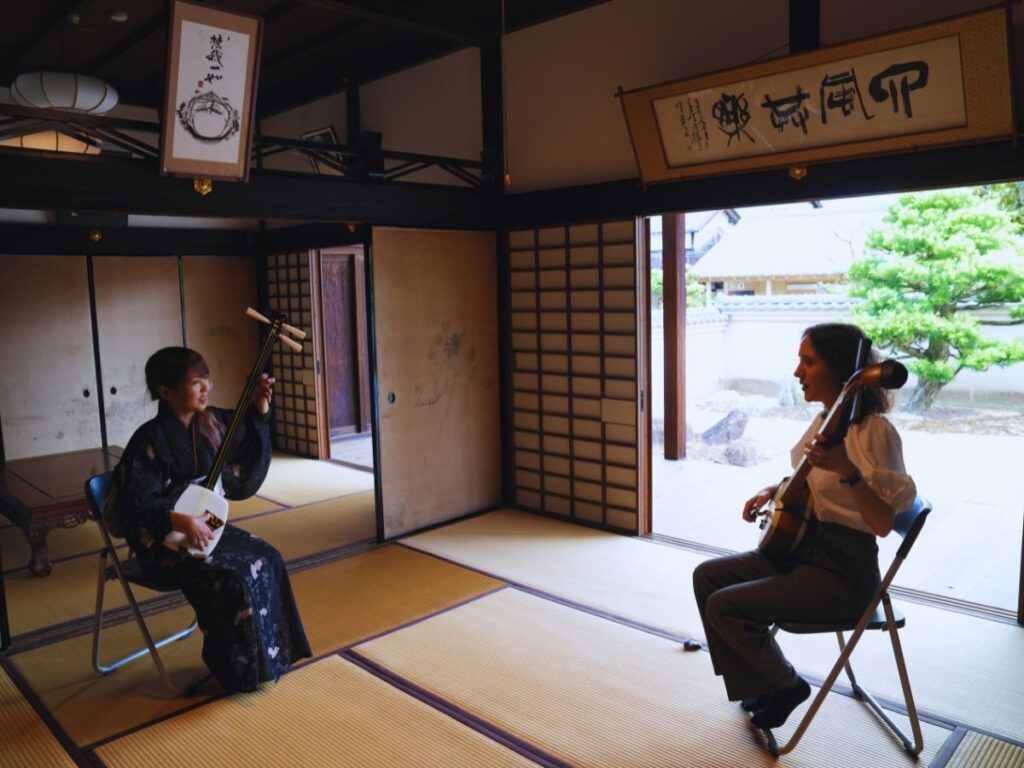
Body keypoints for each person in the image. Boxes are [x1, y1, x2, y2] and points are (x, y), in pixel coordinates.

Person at [692, 323, 916, 730]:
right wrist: (772, 489)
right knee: (707, 577)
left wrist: (849, 471)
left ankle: (787, 685)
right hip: (803, 554)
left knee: (725, 605)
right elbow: (809, 479)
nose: (798, 372)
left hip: (845, 576)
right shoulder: (826, 422)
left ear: (841, 372)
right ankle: (761, 682)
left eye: (808, 362)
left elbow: (883, 523)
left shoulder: (875, 433)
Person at [115, 346, 311, 693]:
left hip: (204, 527)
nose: (206, 387)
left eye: (206, 378)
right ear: (166, 391)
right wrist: (179, 521)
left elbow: (246, 433)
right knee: (232, 578)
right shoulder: (149, 440)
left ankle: (270, 659)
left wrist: (260, 406)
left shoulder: (213, 422)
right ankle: (235, 669)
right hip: (163, 542)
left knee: (269, 558)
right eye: (195, 381)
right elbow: (135, 505)